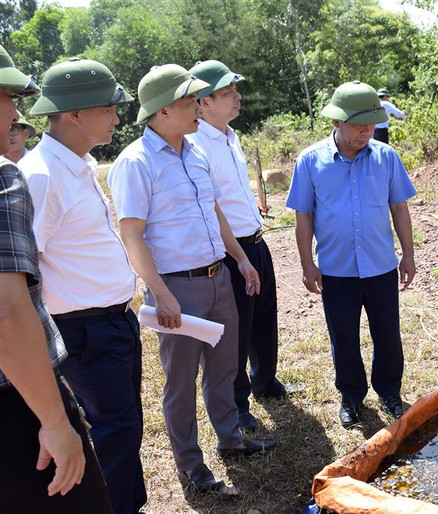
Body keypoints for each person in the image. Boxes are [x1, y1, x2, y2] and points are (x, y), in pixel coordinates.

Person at [108, 64, 275, 495]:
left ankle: (231, 439)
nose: (197, 108)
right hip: (176, 287)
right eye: (188, 102)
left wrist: (240, 259)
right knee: (180, 382)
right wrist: (160, 293)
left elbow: (215, 212)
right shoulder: (135, 162)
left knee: (223, 368)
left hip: (218, 276)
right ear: (162, 111)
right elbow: (131, 235)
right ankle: (190, 464)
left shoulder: (195, 150)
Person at [18, 58, 146, 514]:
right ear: (73, 114)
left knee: (126, 428)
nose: (117, 115)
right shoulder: (43, 175)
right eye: (108, 107)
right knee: (114, 433)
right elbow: (22, 269)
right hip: (83, 330)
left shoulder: (76, 165)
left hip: (113, 323)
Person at [0, 43, 112, 513]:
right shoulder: (9, 178)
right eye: (6, 95)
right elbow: (8, 308)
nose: (14, 110)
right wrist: (53, 420)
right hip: (16, 397)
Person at [287, 81, 416, 428]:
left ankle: (389, 391)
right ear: (336, 122)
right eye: (359, 124)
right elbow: (304, 217)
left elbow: (399, 208)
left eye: (371, 124)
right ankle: (351, 396)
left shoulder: (386, 157)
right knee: (342, 335)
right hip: (336, 268)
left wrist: (408, 254)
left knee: (387, 332)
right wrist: (307, 264)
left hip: (380, 265)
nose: (366, 131)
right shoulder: (310, 162)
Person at [188, 60, 301, 433]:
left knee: (264, 318)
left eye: (235, 89)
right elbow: (211, 209)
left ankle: (265, 381)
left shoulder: (230, 136)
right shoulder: (195, 146)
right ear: (202, 102)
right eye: (227, 93)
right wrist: (237, 256)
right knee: (234, 329)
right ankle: (237, 404)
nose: (237, 97)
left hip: (255, 241)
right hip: (228, 251)